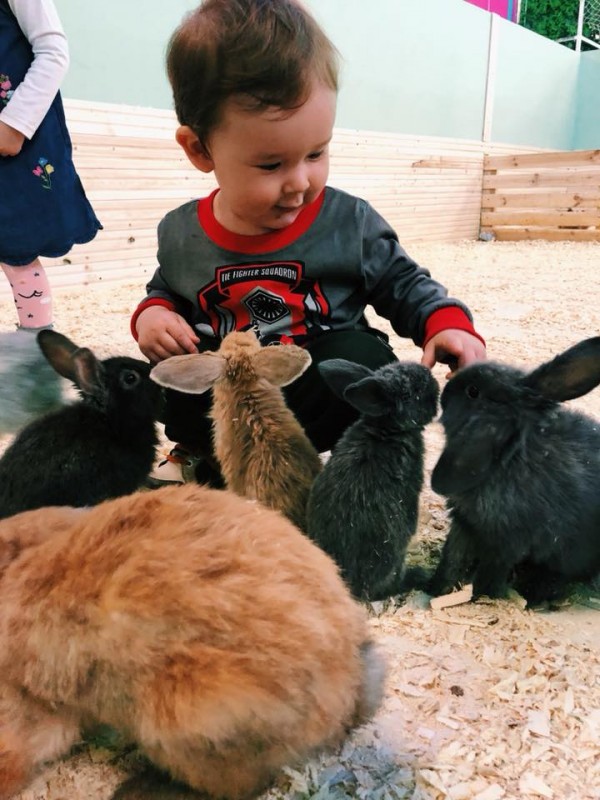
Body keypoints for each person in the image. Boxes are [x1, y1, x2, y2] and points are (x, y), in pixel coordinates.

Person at [131, 0, 486, 486]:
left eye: (316, 153)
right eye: (271, 165)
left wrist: (445, 325)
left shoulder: (349, 222)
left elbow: (404, 283)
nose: (300, 182)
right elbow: (167, 288)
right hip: (229, 397)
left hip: (315, 388)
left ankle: (351, 463)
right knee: (158, 370)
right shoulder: (181, 232)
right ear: (200, 149)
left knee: (362, 362)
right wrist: (153, 315)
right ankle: (201, 454)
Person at [0, 0, 101, 334]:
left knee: (16, 240)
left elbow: (53, 50)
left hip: (14, 134)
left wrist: (14, 124)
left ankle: (36, 342)